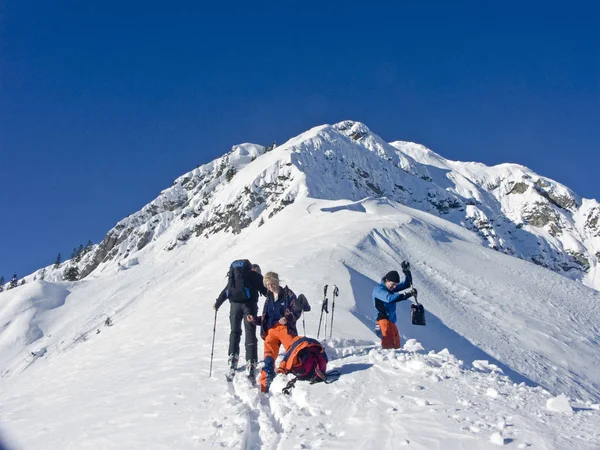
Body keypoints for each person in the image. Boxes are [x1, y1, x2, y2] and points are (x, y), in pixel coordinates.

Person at [247, 271, 299, 393]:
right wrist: (254, 319)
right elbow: (266, 318)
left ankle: (286, 371)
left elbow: (297, 310)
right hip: (271, 330)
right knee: (269, 352)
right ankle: (268, 376)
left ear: (277, 281)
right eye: (268, 285)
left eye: (272, 284)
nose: (270, 287)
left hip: (285, 328)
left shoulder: (288, 294)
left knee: (293, 349)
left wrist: (287, 318)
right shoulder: (269, 298)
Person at [214, 261, 267, 379]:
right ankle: (251, 361)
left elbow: (226, 291)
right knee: (250, 332)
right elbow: (266, 292)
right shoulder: (256, 277)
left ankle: (233, 358)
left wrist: (217, 304)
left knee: (235, 331)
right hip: (249, 306)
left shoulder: (236, 277)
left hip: (235, 306)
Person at [372, 262, 417, 349]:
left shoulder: (390, 288)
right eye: (393, 285)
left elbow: (407, 284)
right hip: (383, 323)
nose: (394, 287)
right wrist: (407, 295)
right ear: (387, 281)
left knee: (396, 349)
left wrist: (406, 271)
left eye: (395, 285)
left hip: (391, 323)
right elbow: (389, 298)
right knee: (389, 350)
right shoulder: (378, 290)